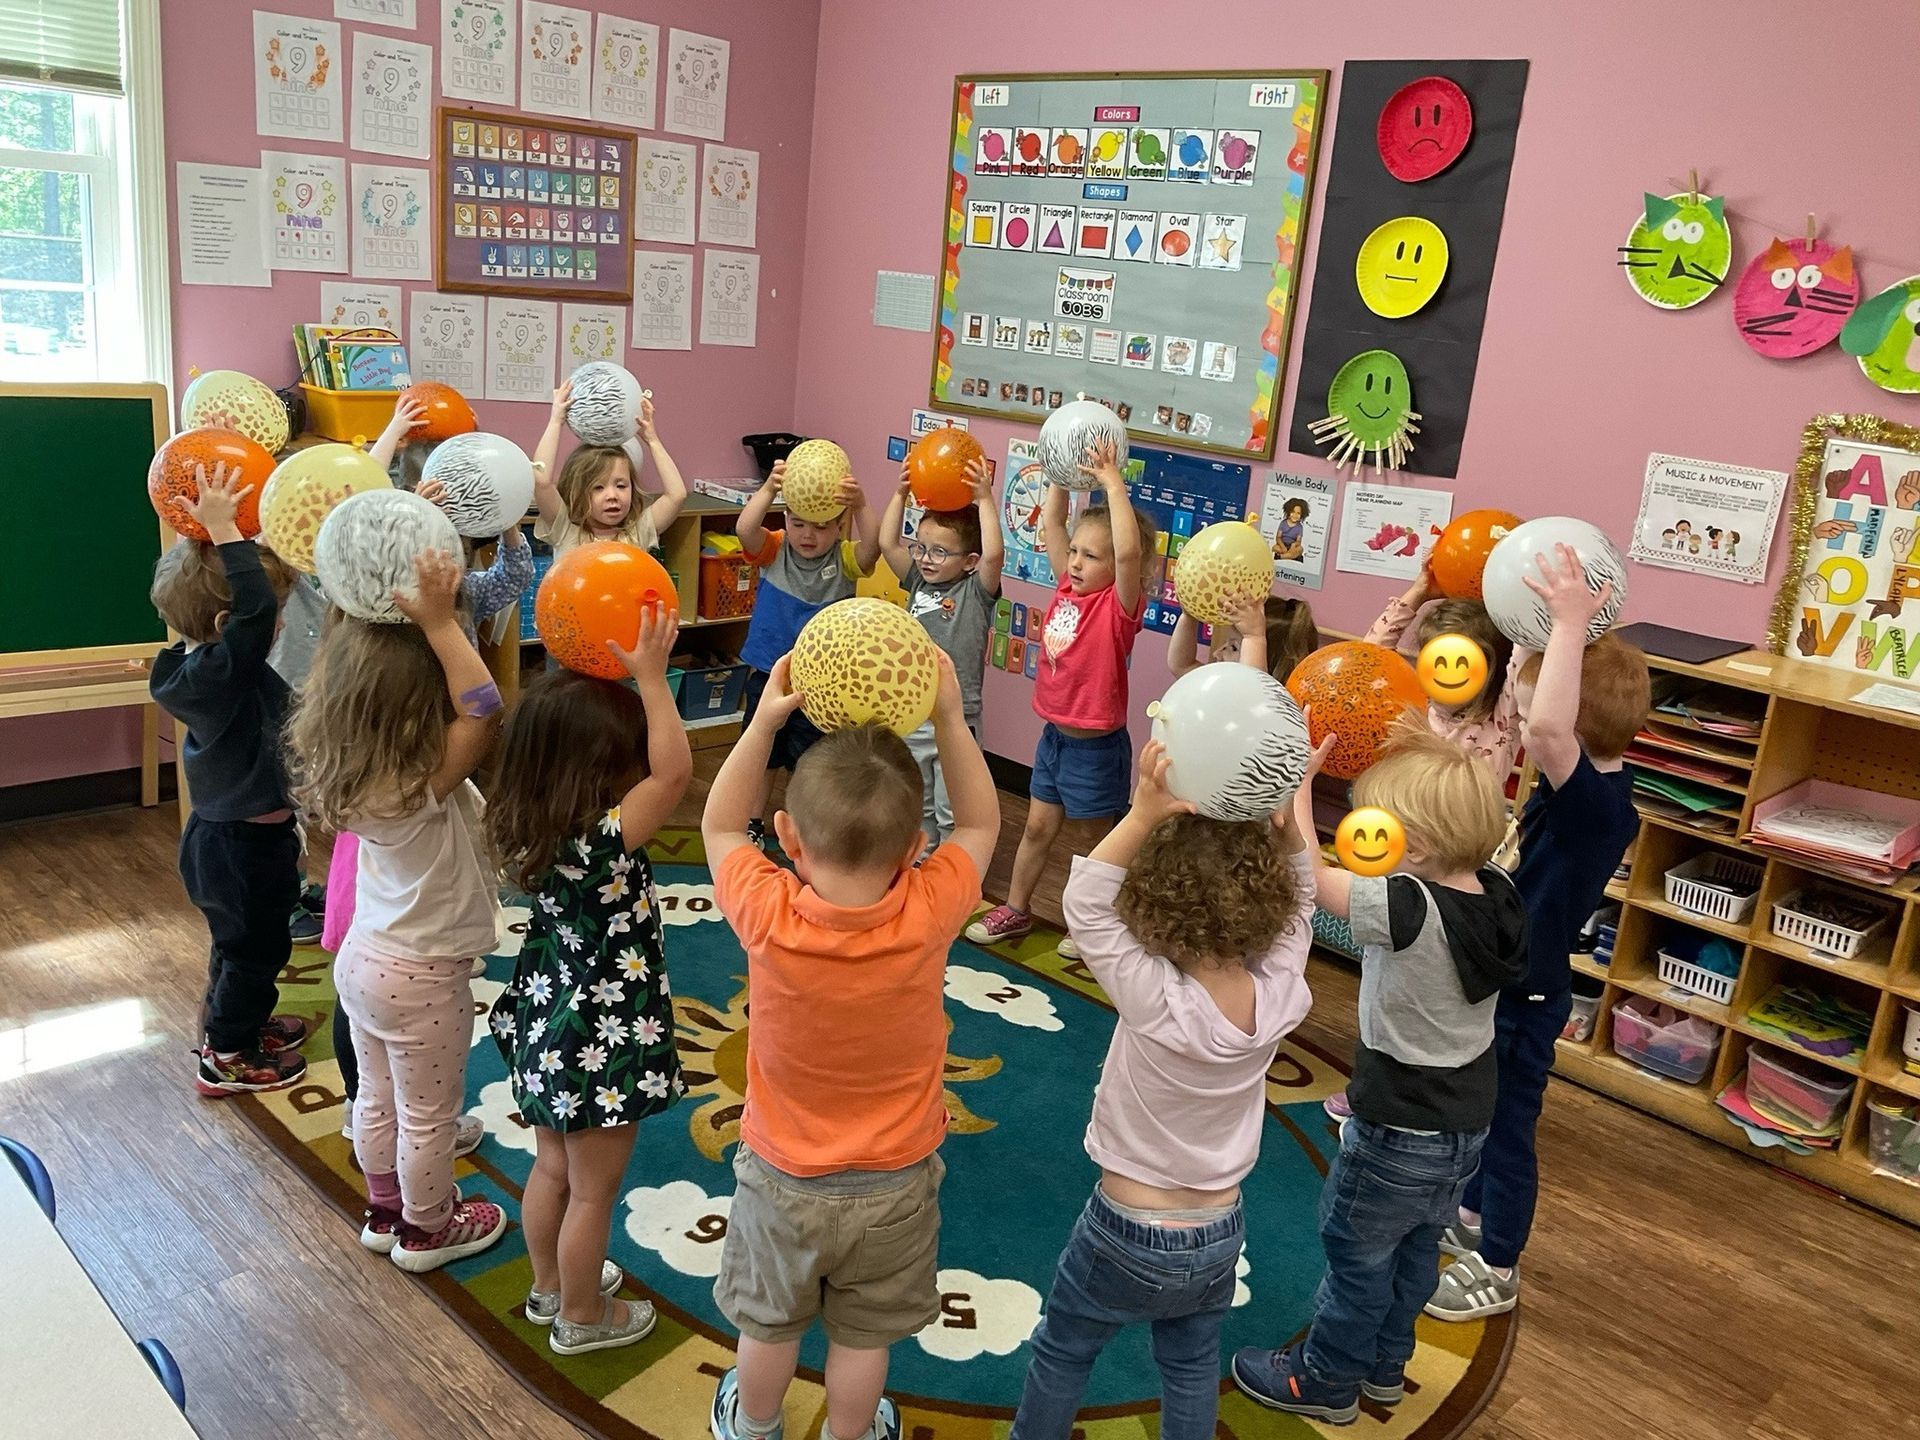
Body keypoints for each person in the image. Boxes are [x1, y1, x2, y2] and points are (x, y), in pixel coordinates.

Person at [701, 652, 999, 1440]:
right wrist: (946, 717)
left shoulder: (766, 912)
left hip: (780, 1174)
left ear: (790, 837)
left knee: (768, 1325)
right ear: (912, 850)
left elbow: (722, 823)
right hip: (896, 1177)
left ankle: (754, 1424)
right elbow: (978, 823)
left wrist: (765, 720)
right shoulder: (931, 908)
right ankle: (850, 1434)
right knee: (865, 1337)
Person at [1010, 742, 1315, 1439]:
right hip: (1218, 1231)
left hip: (1126, 1227)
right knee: (1188, 1365)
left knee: (1064, 1350)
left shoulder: (1155, 998)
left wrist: (1143, 811)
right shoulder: (1279, 996)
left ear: (1155, 905)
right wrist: (1293, 833)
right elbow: (1297, 914)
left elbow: (1086, 902)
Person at [1232, 724, 1527, 1423]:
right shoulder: (1499, 891)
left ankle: (1326, 1381)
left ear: (1415, 847)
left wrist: (1301, 789)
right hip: (1467, 1118)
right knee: (1415, 1249)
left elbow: (1304, 878)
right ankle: (1387, 1368)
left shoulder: (1406, 907)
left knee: (1357, 1254)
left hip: (1399, 1121)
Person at [1424, 545, 1649, 1322]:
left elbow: (1550, 723)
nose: (1522, 716)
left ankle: (1499, 1263)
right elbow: (1550, 715)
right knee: (1487, 1117)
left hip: (1533, 988)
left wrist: (1570, 622)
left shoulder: (1596, 806)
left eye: (1531, 702)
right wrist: (1534, 631)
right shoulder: (1595, 791)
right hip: (1518, 976)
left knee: (1508, 1129)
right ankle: (1476, 1217)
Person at [288, 551, 508, 1274]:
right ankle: (427, 1228)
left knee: (376, 1100)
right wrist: (443, 624)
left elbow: (347, 666)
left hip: (362, 961)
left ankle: (383, 1211)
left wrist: (354, 606)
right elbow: (483, 705)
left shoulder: (349, 775)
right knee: (428, 1116)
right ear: (418, 711)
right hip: (422, 978)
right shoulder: (422, 782)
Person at [485, 606, 692, 1355]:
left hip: (548, 1023)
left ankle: (548, 1288)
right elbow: (676, 772)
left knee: (551, 1170)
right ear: (604, 767)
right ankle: (581, 1316)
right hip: (598, 1047)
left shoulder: (529, 818)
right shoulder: (604, 839)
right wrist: (650, 680)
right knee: (594, 1192)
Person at [150, 464, 308, 1096]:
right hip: (239, 848)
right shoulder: (221, 675)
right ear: (227, 629)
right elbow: (255, 608)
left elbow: (254, 606)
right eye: (273, 619)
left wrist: (241, 535)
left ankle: (233, 1023)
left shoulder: (195, 668)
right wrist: (223, 530)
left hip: (231, 841)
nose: (276, 625)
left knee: (238, 944)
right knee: (255, 950)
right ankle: (227, 1055)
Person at [966, 440, 1155, 957]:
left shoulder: (1118, 608)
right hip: (1054, 739)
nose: (1073, 562)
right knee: (1037, 828)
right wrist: (1057, 470)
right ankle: (1017, 908)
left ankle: (1093, 927)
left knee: (1094, 846)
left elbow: (1131, 551)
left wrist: (1112, 482)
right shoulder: (1067, 591)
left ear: (1118, 569)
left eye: (1090, 556)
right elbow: (1052, 524)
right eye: (1074, 552)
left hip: (1096, 749)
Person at [733, 460, 882, 846]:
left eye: (820, 526)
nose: (807, 535)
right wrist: (769, 487)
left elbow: (873, 548)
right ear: (785, 518)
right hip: (769, 676)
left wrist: (862, 504)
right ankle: (752, 822)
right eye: (798, 523)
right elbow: (744, 529)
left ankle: (802, 827)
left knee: (809, 762)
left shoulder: (845, 559)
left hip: (822, 686)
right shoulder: (774, 549)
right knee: (762, 755)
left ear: (839, 526)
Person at [878, 454, 1003, 846]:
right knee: (921, 806)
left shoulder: (975, 591)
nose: (926, 559)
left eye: (939, 552)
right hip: (915, 712)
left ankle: (957, 879)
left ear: (968, 561)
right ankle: (924, 868)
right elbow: (886, 542)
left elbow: (995, 554)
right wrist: (900, 493)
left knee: (955, 810)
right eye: (922, 548)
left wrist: (985, 500)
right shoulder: (916, 580)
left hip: (957, 716)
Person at [532, 382, 690, 559]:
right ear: (576, 492)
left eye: (621, 486)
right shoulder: (565, 528)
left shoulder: (637, 533)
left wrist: (653, 440)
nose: (612, 495)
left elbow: (677, 495)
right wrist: (555, 421)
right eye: (598, 487)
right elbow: (541, 480)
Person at [1168, 593, 1318, 682]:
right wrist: (1189, 614)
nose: (1217, 653)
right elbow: (1182, 665)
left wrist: (1254, 637)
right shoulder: (1220, 683)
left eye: (1233, 647)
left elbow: (1252, 689)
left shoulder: (1265, 710)